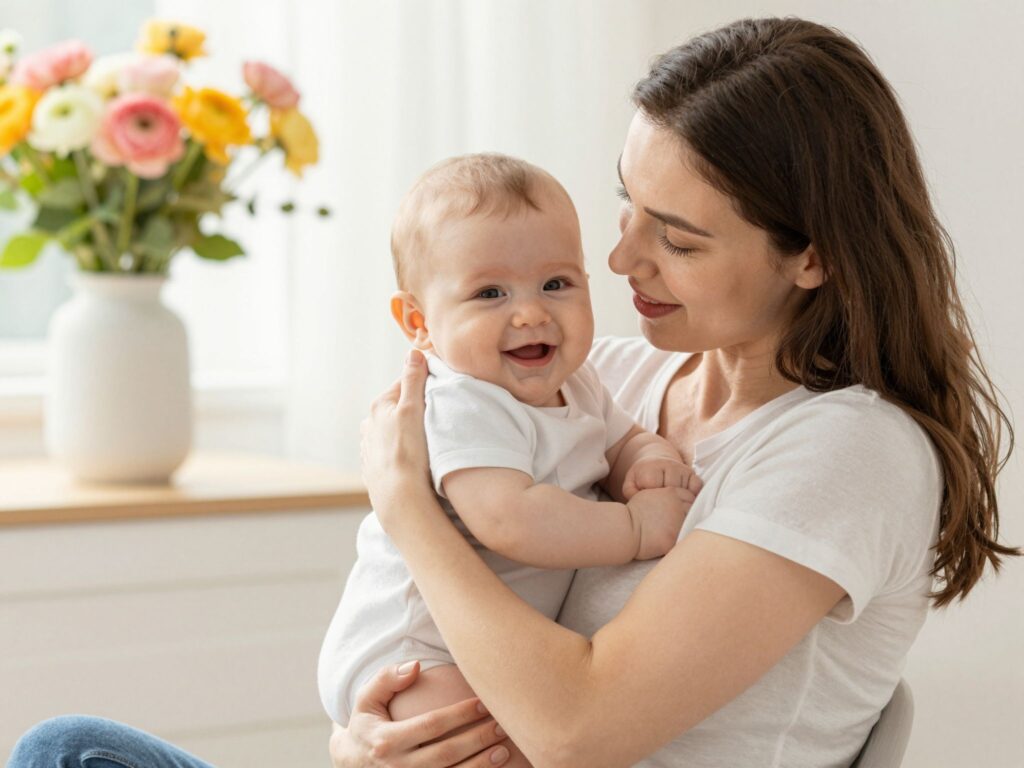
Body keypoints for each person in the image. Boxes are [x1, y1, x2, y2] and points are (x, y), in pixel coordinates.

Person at [8, 15, 1016, 768]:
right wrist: (364, 745)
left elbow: (576, 726)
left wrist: (409, 510)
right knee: (72, 748)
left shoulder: (849, 452)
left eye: (679, 236)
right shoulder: (598, 378)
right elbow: (425, 647)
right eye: (627, 203)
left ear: (813, 258)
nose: (619, 257)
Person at [318, 153, 698, 741]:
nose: (530, 312)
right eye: (490, 292)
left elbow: (621, 439)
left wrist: (650, 462)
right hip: (417, 647)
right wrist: (637, 528)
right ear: (418, 322)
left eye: (556, 284)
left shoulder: (579, 380)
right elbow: (510, 519)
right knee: (466, 739)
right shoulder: (461, 402)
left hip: (491, 651)